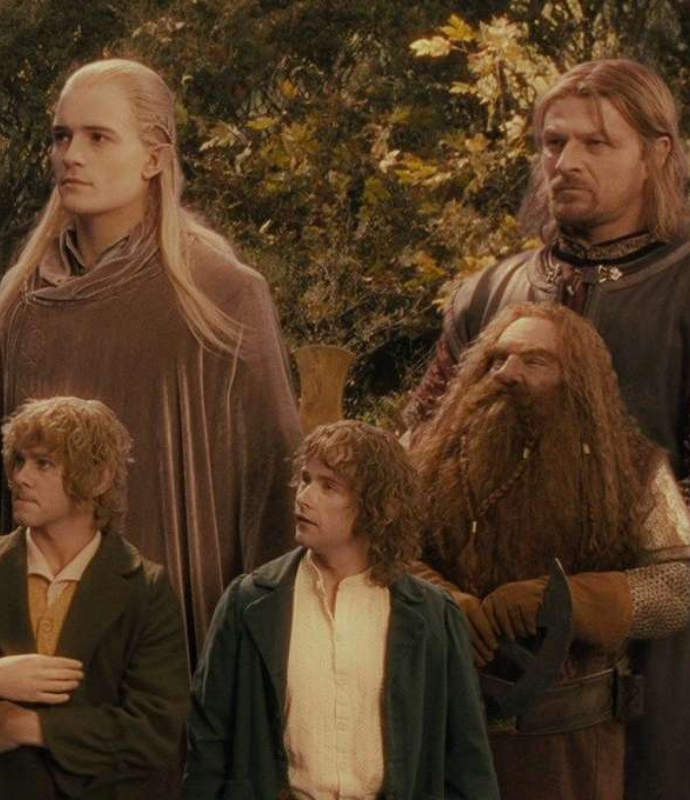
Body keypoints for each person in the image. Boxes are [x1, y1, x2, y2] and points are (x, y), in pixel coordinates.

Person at [404, 59, 690, 798]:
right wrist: (436, 587)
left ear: (657, 152)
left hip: (653, 666)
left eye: (596, 142)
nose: (565, 162)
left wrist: (606, 597)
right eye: (553, 143)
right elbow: (418, 453)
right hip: (474, 656)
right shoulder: (490, 292)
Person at [0, 58, 301, 656]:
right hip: (31, 630)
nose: (71, 155)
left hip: (169, 633)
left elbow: (274, 482)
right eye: (61, 136)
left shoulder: (218, 294)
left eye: (98, 137)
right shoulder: (22, 300)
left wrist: (261, 654)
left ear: (155, 158)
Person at [411, 303, 690, 799]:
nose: (507, 373)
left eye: (534, 361)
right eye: (497, 358)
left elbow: (679, 582)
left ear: (577, 380)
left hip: (569, 749)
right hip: (444, 726)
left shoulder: (633, 469)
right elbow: (383, 548)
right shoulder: (434, 455)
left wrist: (567, 600)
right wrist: (437, 597)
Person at [184, 420, 498, 799]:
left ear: (380, 507)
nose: (304, 497)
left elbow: (467, 761)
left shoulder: (433, 615)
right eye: (305, 479)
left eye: (329, 486)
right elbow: (208, 743)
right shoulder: (249, 602)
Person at [0, 396, 189, 799]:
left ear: (98, 479)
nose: (20, 477)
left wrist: (33, 728)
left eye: (44, 464)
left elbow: (157, 731)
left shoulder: (144, 587)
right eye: (19, 461)